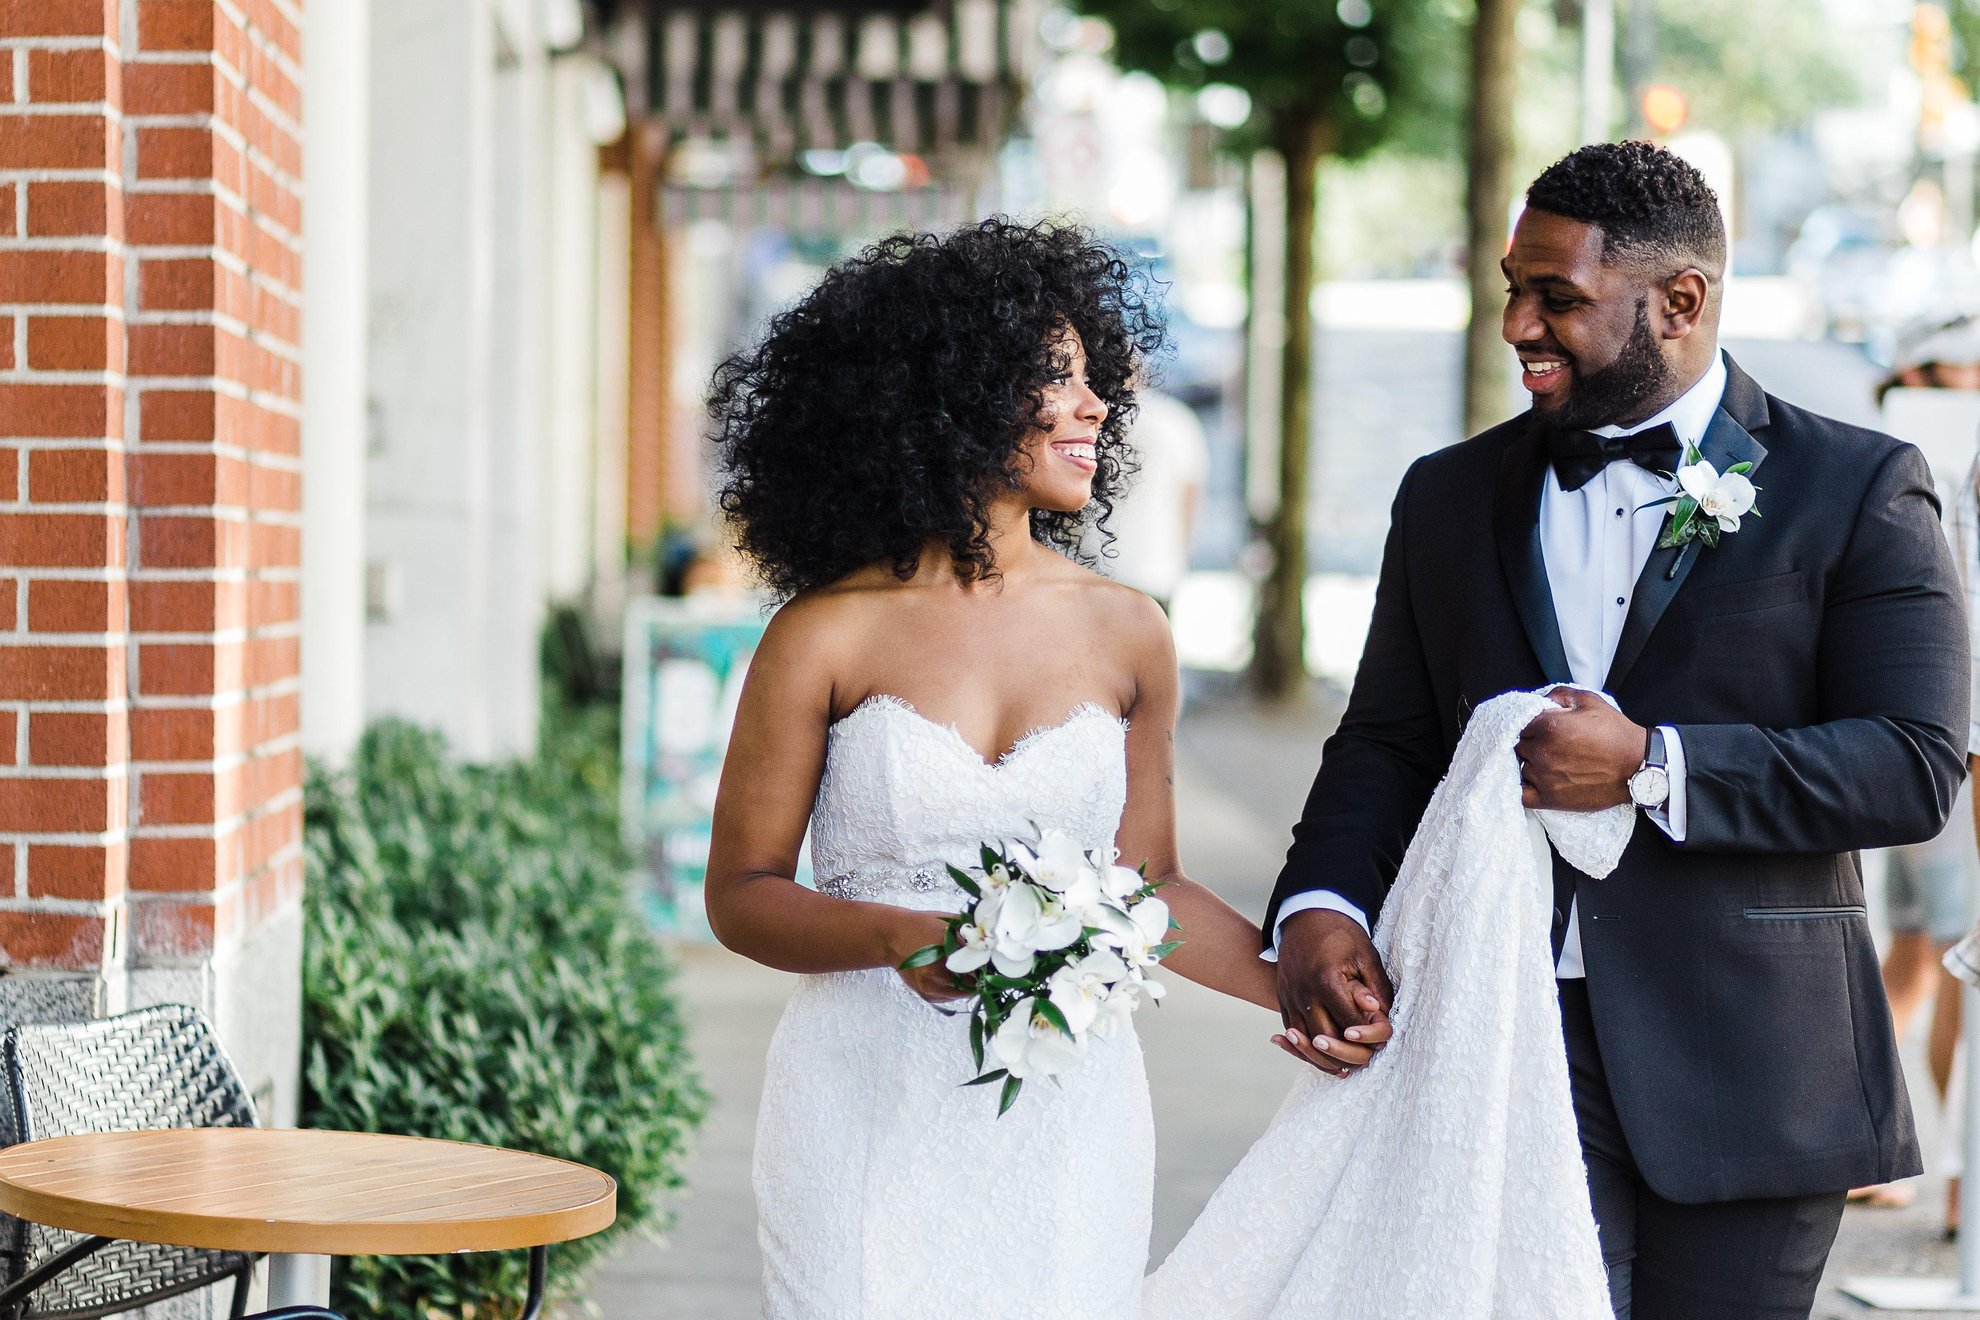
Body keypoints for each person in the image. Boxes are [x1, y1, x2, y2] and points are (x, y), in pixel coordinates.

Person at [1268, 141, 1970, 1319]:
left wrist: (1655, 765)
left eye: (1558, 298)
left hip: (1751, 1060)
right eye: (1511, 287)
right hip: (1497, 1033)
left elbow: (1909, 765)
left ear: (1679, 302)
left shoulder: (1855, 485)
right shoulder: (1447, 494)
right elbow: (1388, 739)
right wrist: (1320, 909)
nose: (1517, 325)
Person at [700, 220, 1326, 1319]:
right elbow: (741, 896)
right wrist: (898, 936)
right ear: (951, 390)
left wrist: (1304, 989)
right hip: (859, 1102)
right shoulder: (822, 635)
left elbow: (1149, 888)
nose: (1097, 408)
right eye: (1059, 379)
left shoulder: (1129, 632)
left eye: (1096, 383)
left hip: (1065, 1113)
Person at [1105, 385, 1208, 611]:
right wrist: (1181, 558)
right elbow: (1190, 497)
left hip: (1097, 569)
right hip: (1154, 571)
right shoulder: (1176, 420)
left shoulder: (1096, 417)